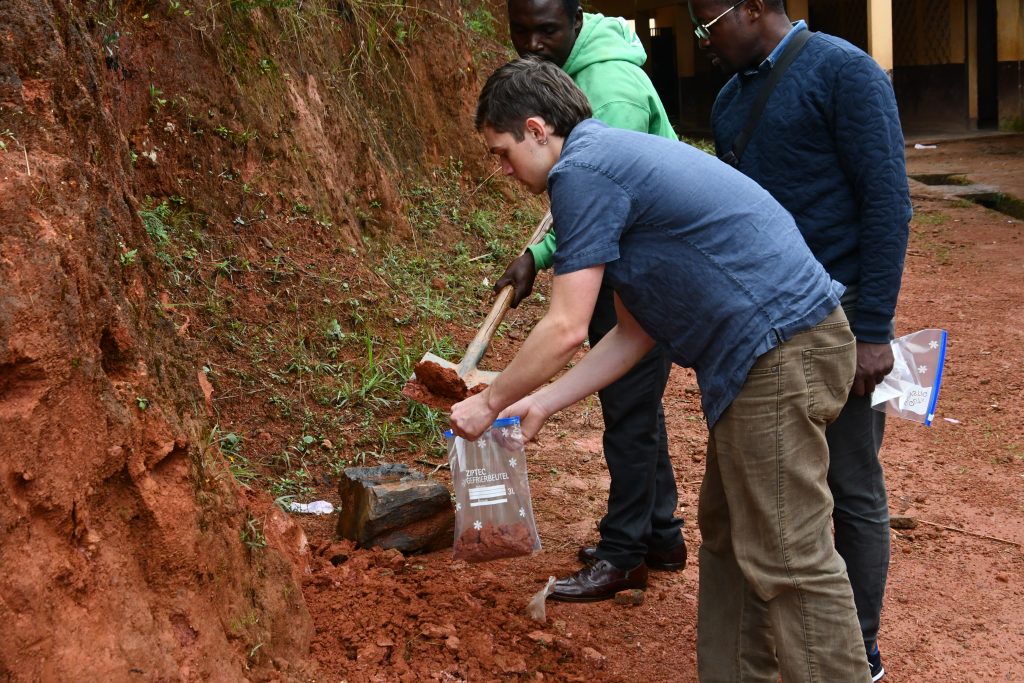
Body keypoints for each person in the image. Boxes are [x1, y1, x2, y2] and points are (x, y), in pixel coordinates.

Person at [452, 57, 872, 682]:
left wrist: (489, 402)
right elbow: (634, 331)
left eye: (502, 152)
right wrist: (540, 403)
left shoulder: (583, 172)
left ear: (537, 130)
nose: (503, 170)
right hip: (771, 352)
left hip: (782, 348)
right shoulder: (607, 162)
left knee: (788, 555)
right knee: (729, 538)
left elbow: (567, 327)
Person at [691, 0, 912, 678]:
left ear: (756, 6)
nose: (703, 39)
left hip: (842, 321)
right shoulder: (730, 100)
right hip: (762, 333)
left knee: (851, 488)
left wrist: (873, 332)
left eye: (709, 22)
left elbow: (887, 201)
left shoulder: (845, 72)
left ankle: (860, 652)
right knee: (771, 506)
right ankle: (780, 652)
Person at [494, 0, 685, 602]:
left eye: (546, 29)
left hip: (645, 255)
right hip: (635, 253)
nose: (532, 43)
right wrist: (541, 254)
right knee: (633, 396)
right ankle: (660, 532)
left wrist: (497, 401)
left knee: (628, 407)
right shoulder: (567, 75)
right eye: (520, 30)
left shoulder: (608, 84)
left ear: (576, 22)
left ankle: (625, 551)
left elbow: (601, 194)